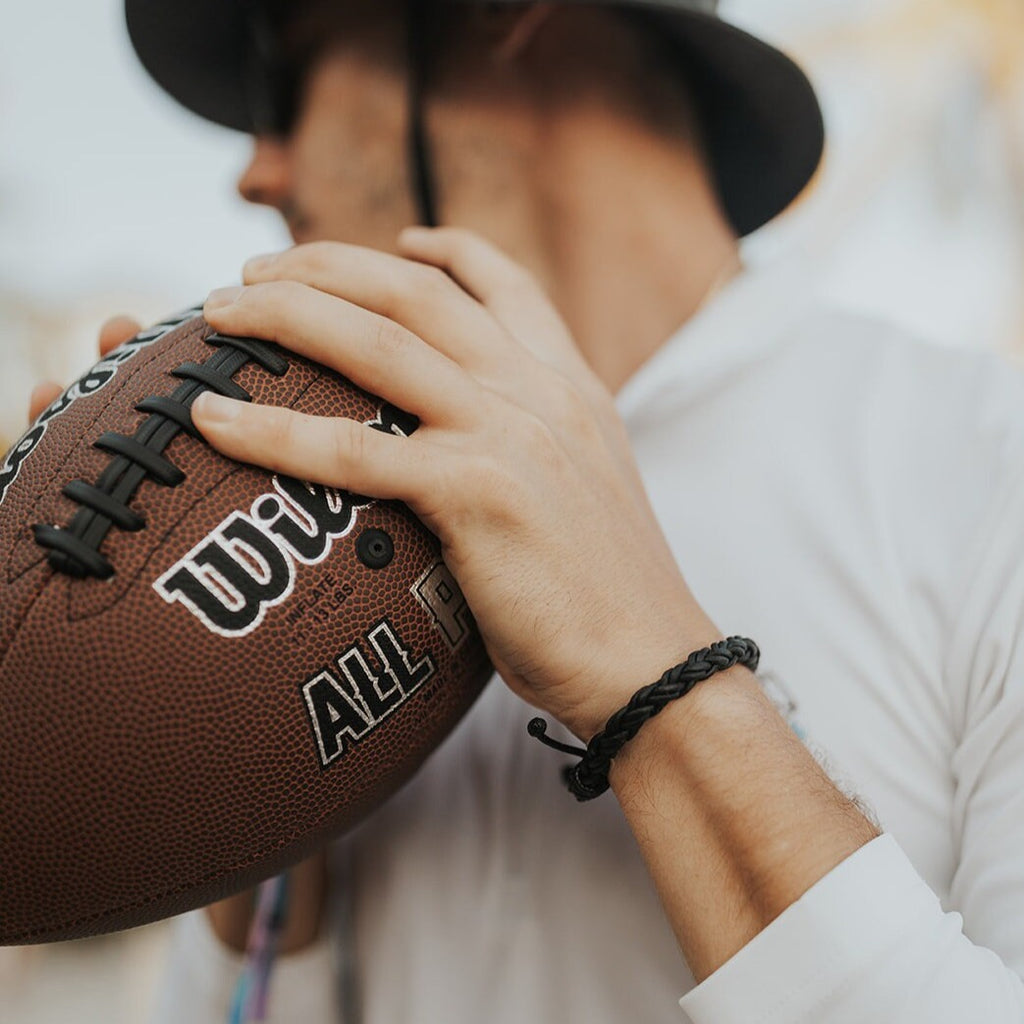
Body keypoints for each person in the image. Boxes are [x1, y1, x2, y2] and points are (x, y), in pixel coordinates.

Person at [30, 1, 1024, 1020]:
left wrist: (655, 671)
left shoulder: (982, 467)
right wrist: (199, 734)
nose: (256, 171)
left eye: (286, 79)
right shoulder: (348, 481)